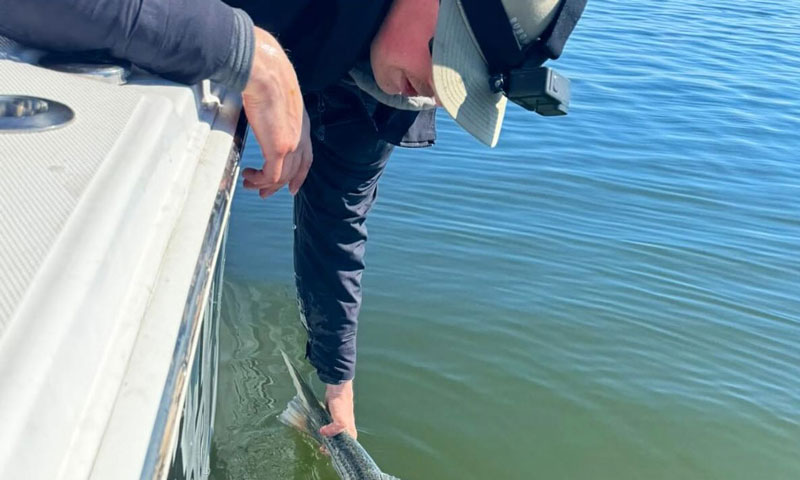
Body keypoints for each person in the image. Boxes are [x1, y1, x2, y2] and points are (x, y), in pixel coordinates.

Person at [0, 0, 586, 437]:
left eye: (460, 88)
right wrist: (247, 54)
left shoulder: (390, 89)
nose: (435, 94)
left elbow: (338, 220)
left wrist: (338, 377)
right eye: (447, 59)